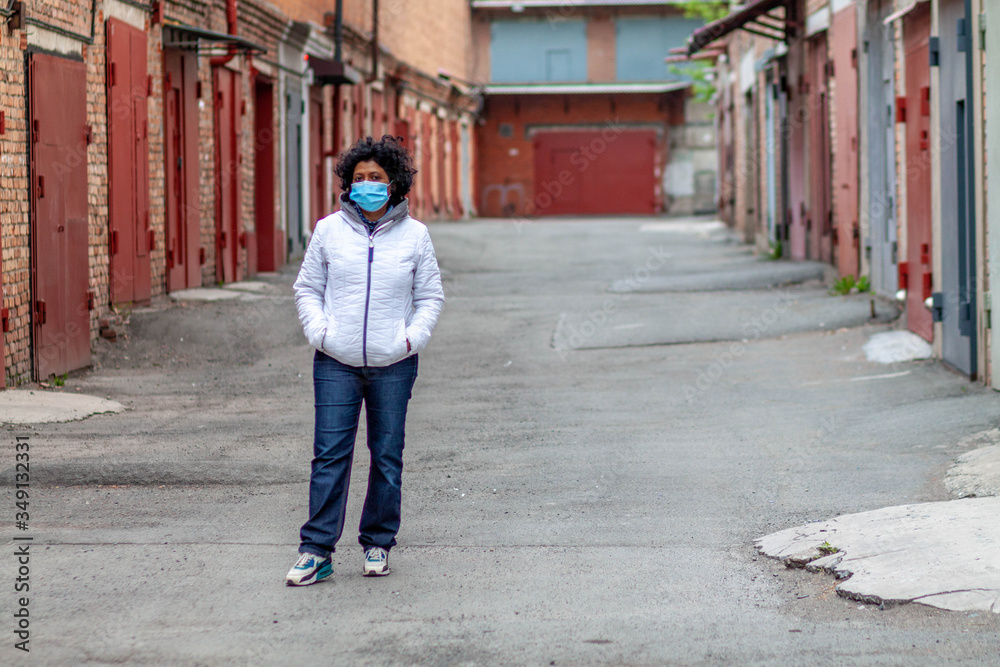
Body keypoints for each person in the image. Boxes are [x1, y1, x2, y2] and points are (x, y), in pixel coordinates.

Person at [286, 135, 445, 585]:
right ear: (347, 183)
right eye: (359, 178)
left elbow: (430, 296)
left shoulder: (416, 236)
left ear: (393, 184)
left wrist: (410, 340)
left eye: (376, 178)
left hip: (394, 362)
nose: (367, 184)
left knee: (386, 455)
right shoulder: (327, 230)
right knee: (329, 455)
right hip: (334, 361)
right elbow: (307, 288)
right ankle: (316, 550)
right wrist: (321, 333)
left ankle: (378, 543)